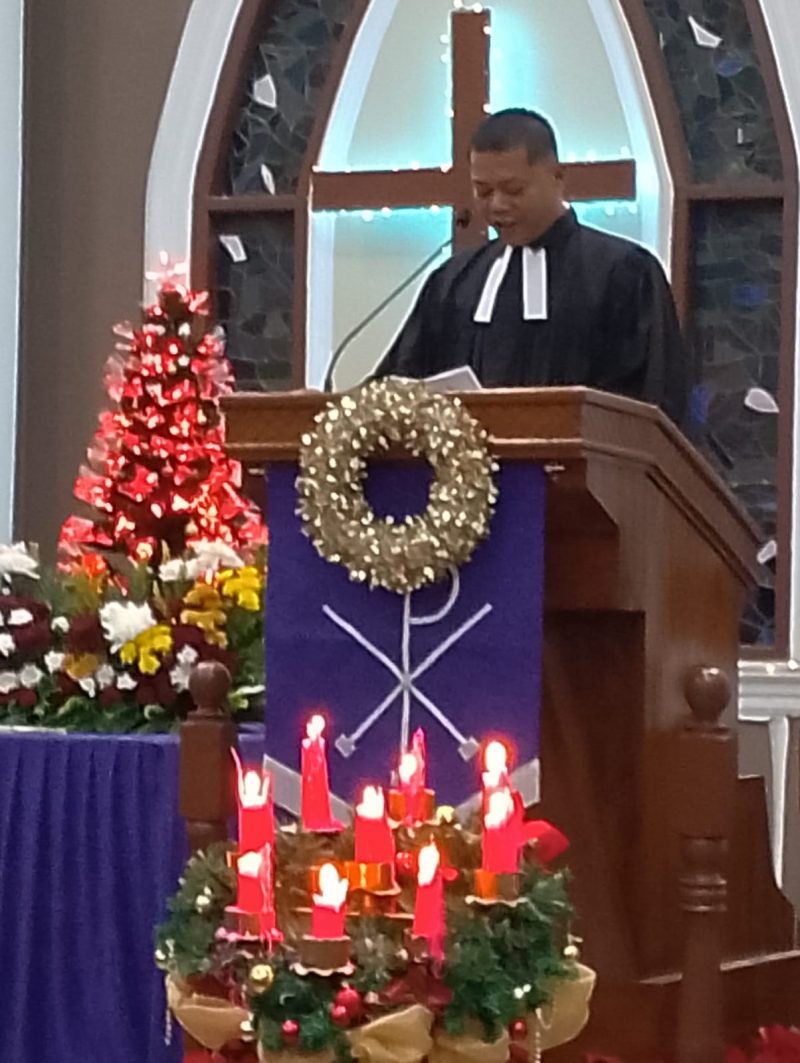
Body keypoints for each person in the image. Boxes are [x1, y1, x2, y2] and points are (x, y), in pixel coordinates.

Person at [374, 108, 690, 428]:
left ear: (557, 177)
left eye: (513, 190)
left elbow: (653, 405)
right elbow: (397, 386)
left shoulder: (624, 273)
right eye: (483, 191)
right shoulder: (454, 281)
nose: (497, 205)